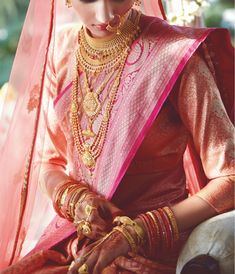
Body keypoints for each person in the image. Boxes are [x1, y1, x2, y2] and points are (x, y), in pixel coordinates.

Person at [0, 0, 234, 273]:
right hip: (79, 247)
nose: (105, 15)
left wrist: (137, 231)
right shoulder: (61, 51)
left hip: (151, 252)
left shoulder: (174, 56)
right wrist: (77, 199)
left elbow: (230, 178)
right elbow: (47, 162)